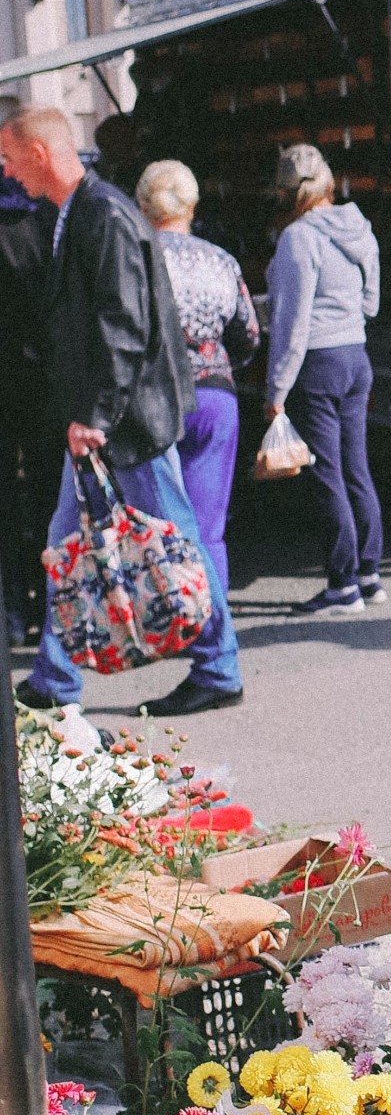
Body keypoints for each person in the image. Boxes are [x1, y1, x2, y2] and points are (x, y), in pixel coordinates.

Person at [1, 105, 243, 717]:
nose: (5, 170)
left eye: (8, 156)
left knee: (177, 543)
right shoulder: (78, 212)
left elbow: (123, 322)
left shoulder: (102, 212)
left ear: (39, 152)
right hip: (103, 418)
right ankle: (56, 680)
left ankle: (219, 668)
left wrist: (97, 415)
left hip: (127, 421)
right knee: (64, 541)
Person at [264, 143, 384, 616]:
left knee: (326, 474)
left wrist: (275, 392)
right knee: (356, 468)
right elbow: (371, 303)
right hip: (357, 356)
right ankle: (369, 574)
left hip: (318, 362)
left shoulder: (298, 238)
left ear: (289, 192)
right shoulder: (360, 228)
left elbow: (292, 323)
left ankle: (341, 586)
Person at [136, 158, 259, 596]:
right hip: (214, 399)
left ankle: (170, 617)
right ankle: (214, 631)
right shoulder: (221, 260)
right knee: (209, 527)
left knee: (159, 523)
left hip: (154, 402)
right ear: (192, 206)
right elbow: (248, 334)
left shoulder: (134, 260)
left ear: (142, 206)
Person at [0, 156, 59, 647]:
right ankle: (50, 605)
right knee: (47, 494)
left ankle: (13, 611)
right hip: (42, 376)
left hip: (12, 377)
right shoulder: (44, 219)